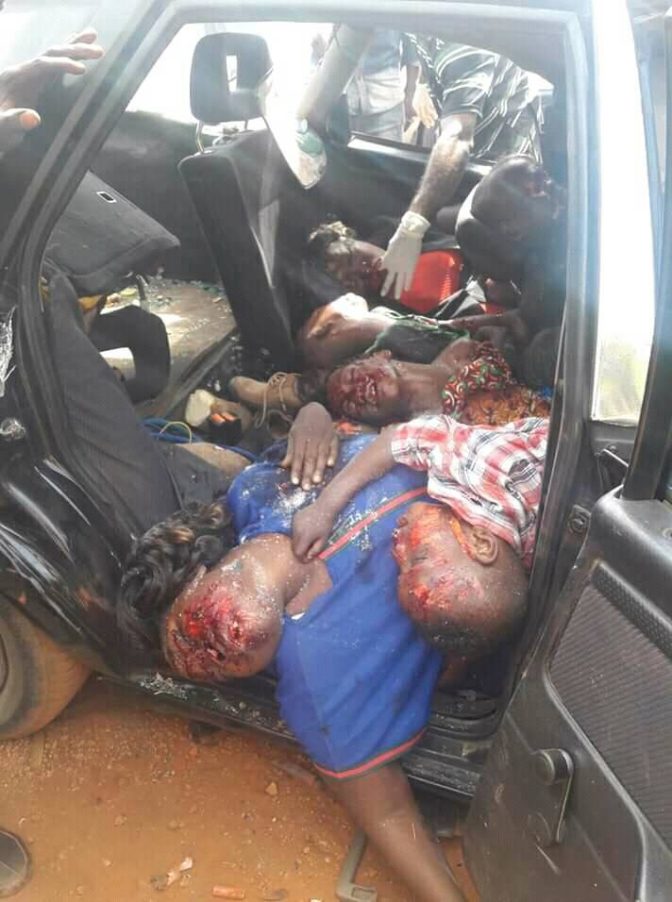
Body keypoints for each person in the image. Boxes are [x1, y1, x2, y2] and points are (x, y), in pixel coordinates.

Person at [118, 403, 538, 901]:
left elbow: (384, 435)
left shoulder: (252, 493)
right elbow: (387, 813)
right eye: (209, 669)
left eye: (192, 629)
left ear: (199, 571)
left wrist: (314, 413)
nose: (214, 652)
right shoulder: (321, 683)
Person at [380, 40, 543, 299]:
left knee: (490, 248)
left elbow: (458, 137)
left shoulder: (462, 47)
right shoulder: (424, 28)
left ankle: (507, 288)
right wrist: (422, 83)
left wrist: (412, 227)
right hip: (482, 157)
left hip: (505, 170)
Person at [325, 337, 549, 428]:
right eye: (349, 403)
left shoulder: (461, 351)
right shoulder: (426, 434)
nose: (356, 391)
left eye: (352, 376)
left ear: (380, 355)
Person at [305, 219, 464, 315]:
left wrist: (413, 228)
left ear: (347, 235)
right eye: (349, 281)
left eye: (351, 258)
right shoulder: (392, 320)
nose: (364, 271)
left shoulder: (407, 230)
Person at [345, 30, 421, 141]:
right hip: (344, 103)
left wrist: (409, 100)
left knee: (388, 151)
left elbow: (413, 58)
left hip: (387, 105)